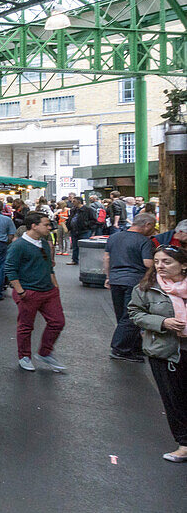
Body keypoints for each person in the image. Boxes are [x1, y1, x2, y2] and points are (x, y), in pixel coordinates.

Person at [127, 244, 187, 463]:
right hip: (165, 352)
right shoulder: (147, 287)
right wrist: (163, 322)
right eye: (158, 261)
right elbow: (135, 313)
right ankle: (184, 444)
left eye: (167, 262)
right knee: (175, 400)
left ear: (183, 265)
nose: (160, 266)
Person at [3, 213, 66, 372]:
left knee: (57, 322)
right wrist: (21, 291)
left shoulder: (44, 243)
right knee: (26, 326)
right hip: (29, 292)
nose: (49, 227)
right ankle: (24, 356)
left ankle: (45, 352)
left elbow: (49, 266)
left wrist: (55, 287)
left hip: (48, 291)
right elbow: (10, 268)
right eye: (46, 224)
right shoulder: (18, 246)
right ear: (34, 226)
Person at [104, 212, 157, 362]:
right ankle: (120, 348)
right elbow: (148, 263)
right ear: (146, 225)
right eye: (153, 226)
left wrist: (108, 277)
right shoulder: (144, 241)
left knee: (122, 315)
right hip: (134, 281)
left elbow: (106, 258)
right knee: (131, 316)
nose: (153, 230)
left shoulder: (114, 237)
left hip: (116, 279)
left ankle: (133, 346)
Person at [66, 195, 96, 264]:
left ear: (79, 202)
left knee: (84, 246)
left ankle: (85, 260)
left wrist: (87, 225)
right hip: (74, 230)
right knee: (75, 246)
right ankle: (75, 260)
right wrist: (69, 226)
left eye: (74, 201)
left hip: (84, 230)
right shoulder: (73, 210)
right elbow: (71, 218)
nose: (72, 202)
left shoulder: (88, 210)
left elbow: (93, 220)